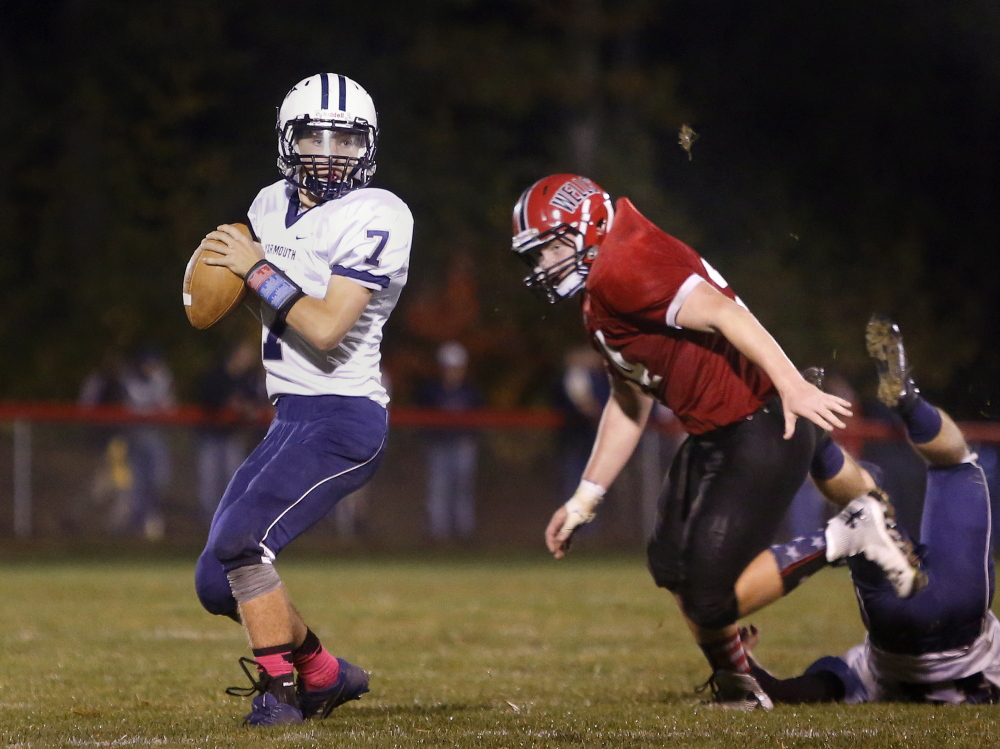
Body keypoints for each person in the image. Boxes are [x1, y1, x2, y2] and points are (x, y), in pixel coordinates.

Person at [508, 174, 922, 708]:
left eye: (549, 249)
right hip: (719, 428)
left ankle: (851, 534)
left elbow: (726, 313)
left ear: (585, 226)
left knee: (708, 596)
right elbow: (630, 401)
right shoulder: (607, 280)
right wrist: (585, 498)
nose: (544, 266)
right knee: (671, 564)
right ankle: (738, 683)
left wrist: (792, 384)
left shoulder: (624, 265)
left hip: (755, 420)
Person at [192, 73, 413, 726]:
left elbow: (324, 326)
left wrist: (255, 267)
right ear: (287, 140)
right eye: (314, 134)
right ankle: (323, 669)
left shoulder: (380, 213)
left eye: (345, 138)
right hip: (288, 416)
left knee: (241, 539)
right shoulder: (266, 205)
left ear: (367, 146)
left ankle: (282, 692)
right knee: (215, 581)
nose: (329, 150)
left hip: (345, 417)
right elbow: (259, 298)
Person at [747, 315, 1000, 704]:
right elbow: (800, 692)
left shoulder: (865, 672)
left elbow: (798, 690)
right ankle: (903, 402)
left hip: (913, 629)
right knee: (948, 465)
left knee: (874, 496)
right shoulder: (867, 674)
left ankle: (822, 440)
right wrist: (746, 667)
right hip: (955, 621)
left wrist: (747, 665)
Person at [195, 341, 268, 524]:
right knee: (209, 481)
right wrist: (227, 403)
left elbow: (256, 405)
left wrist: (247, 408)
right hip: (211, 435)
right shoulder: (217, 375)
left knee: (232, 479)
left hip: (233, 436)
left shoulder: (247, 380)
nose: (247, 360)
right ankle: (208, 521)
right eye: (244, 354)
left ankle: (228, 520)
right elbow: (207, 398)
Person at [418, 341, 482, 542]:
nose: (453, 371)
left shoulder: (470, 391)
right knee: (438, 489)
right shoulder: (432, 390)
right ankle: (439, 533)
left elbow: (479, 417)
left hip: (464, 445)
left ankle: (464, 533)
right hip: (439, 445)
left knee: (462, 490)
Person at [120, 346, 176, 540]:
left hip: (156, 437)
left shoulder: (162, 377)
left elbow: (168, 407)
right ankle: (137, 523)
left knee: (159, 480)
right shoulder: (129, 379)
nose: (149, 366)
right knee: (136, 484)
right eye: (146, 362)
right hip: (134, 438)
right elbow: (133, 407)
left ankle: (152, 518)